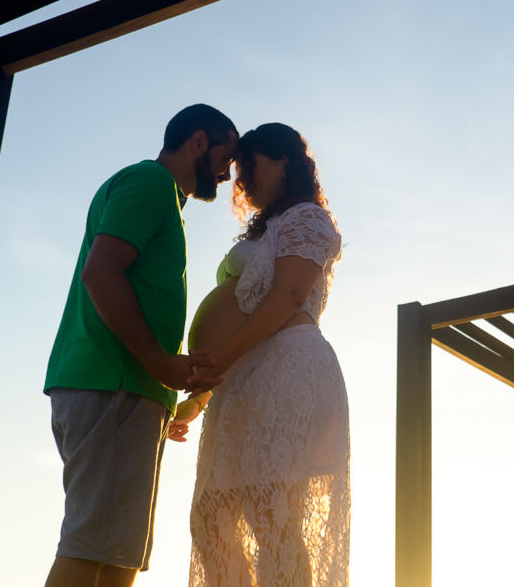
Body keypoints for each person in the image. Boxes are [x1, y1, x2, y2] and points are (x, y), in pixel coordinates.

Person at [43, 104, 239, 587]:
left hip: (123, 388)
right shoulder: (150, 184)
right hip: (116, 384)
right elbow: (100, 271)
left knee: (118, 555)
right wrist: (156, 363)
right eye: (224, 157)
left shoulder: (159, 194)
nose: (227, 172)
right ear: (197, 142)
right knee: (94, 549)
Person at [172, 122, 349, 587]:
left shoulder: (308, 219)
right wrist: (199, 400)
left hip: (287, 366)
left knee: (269, 511)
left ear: (283, 161)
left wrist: (221, 354)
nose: (240, 178)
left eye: (249, 164)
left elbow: (289, 295)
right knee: (209, 518)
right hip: (243, 377)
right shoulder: (268, 227)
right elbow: (241, 312)